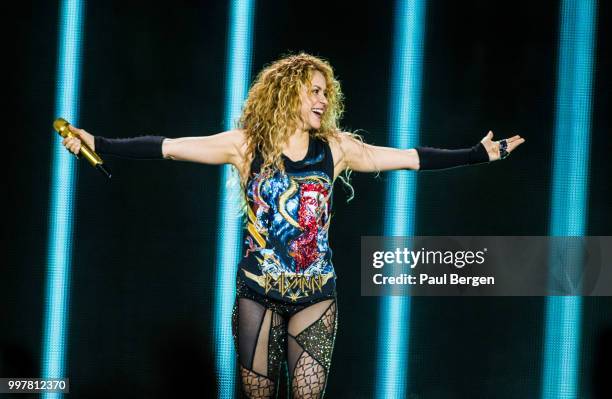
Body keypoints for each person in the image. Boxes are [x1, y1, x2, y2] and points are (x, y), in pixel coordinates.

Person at [61, 53, 525, 399]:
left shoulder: (336, 149)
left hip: (315, 295)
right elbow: (169, 147)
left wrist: (474, 154)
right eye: (314, 90)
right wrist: (96, 141)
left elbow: (406, 159)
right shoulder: (244, 147)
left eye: (327, 91)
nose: (324, 98)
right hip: (257, 292)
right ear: (288, 93)